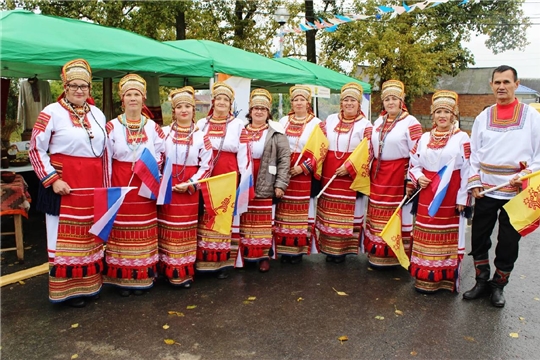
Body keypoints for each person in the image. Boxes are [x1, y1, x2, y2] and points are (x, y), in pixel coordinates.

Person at [29, 59, 108, 307]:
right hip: (65, 185)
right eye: (74, 85)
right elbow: (35, 149)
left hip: (92, 184)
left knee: (89, 237)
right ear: (65, 86)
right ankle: (65, 291)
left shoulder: (97, 114)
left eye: (83, 86)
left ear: (89, 88)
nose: (79, 90)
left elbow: (104, 152)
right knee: (63, 238)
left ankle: (90, 286)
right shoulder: (51, 112)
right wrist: (53, 180)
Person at [464, 65, 540, 307]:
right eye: (497, 82)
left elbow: (539, 154)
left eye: (507, 82)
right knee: (479, 237)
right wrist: (474, 181)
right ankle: (481, 280)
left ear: (516, 84)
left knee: (508, 242)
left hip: (515, 190)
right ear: (491, 85)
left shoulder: (531, 117)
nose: (501, 87)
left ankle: (499, 284)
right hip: (486, 187)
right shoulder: (482, 117)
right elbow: (474, 154)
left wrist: (527, 173)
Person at [104, 74, 165, 297]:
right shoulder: (111, 126)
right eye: (128, 94)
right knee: (122, 230)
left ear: (143, 99)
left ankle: (141, 276)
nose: (133, 98)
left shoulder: (153, 127)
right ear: (122, 99)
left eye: (136, 94)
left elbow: (161, 153)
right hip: (120, 183)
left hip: (144, 183)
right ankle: (122, 278)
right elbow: (106, 157)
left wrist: (149, 166)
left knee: (143, 230)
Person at [408, 90, 471, 293]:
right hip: (427, 192)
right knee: (426, 234)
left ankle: (443, 279)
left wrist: (463, 197)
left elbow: (468, 168)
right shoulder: (424, 137)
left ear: (454, 115)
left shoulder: (462, 138)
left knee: (447, 235)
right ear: (432, 115)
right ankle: (424, 277)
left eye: (446, 112)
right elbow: (413, 164)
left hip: (450, 193)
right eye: (438, 112)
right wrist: (418, 177)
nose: (442, 116)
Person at [158, 87, 213, 288]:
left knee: (185, 231)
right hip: (168, 189)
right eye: (179, 107)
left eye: (188, 107)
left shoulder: (202, 136)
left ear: (193, 110)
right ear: (173, 110)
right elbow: (157, 159)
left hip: (189, 191)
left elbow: (207, 166)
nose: (184, 110)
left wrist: (191, 183)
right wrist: (162, 180)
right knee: (167, 230)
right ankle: (166, 270)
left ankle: (183, 273)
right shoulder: (163, 133)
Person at [364, 80, 422, 268]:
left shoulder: (411, 122)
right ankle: (377, 254)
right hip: (379, 174)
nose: (390, 103)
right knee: (377, 214)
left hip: (398, 174)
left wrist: (410, 180)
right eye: (387, 99)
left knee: (397, 213)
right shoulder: (379, 121)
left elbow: (417, 153)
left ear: (401, 101)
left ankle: (396, 256)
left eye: (394, 99)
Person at [315, 82, 372, 263]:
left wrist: (349, 167)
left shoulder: (365, 125)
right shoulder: (330, 120)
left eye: (353, 100)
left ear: (359, 104)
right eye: (346, 100)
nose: (349, 103)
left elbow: (369, 150)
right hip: (330, 172)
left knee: (348, 214)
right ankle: (328, 249)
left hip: (350, 176)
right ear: (341, 102)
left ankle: (343, 251)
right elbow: (318, 142)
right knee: (329, 213)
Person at [196, 82, 247, 279]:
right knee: (206, 216)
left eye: (226, 100)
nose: (222, 103)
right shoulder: (202, 124)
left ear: (231, 104)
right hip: (207, 174)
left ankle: (222, 263)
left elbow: (244, 153)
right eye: (219, 99)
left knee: (223, 217)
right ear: (213, 101)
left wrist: (242, 177)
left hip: (227, 175)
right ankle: (204, 261)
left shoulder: (238, 125)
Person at [238, 89, 290, 272]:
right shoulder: (240, 130)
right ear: (250, 111)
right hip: (244, 180)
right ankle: (244, 256)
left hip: (266, 178)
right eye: (255, 108)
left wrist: (280, 184)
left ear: (268, 112)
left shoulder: (276, 133)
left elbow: (284, 160)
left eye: (263, 109)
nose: (258, 112)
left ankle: (263, 257)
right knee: (244, 219)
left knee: (263, 222)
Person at [274, 85, 325, 264]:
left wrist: (302, 168)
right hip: (285, 170)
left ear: (308, 102)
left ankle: (297, 250)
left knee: (300, 213)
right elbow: (276, 143)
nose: (298, 103)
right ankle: (283, 248)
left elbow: (321, 150)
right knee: (283, 211)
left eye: (302, 99)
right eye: (295, 99)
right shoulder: (283, 121)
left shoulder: (316, 123)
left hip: (302, 174)